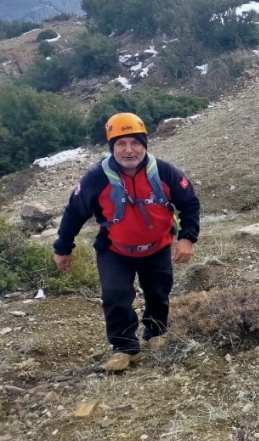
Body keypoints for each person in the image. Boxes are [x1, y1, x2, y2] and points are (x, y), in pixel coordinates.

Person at [53, 113, 200, 372]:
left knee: (158, 291)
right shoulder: (96, 178)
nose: (129, 150)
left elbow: (189, 203)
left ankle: (155, 333)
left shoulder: (164, 172)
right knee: (115, 295)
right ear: (111, 147)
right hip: (114, 250)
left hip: (156, 247)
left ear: (144, 145)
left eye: (135, 142)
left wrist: (187, 237)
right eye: (121, 144)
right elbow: (75, 212)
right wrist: (63, 248)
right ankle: (124, 347)